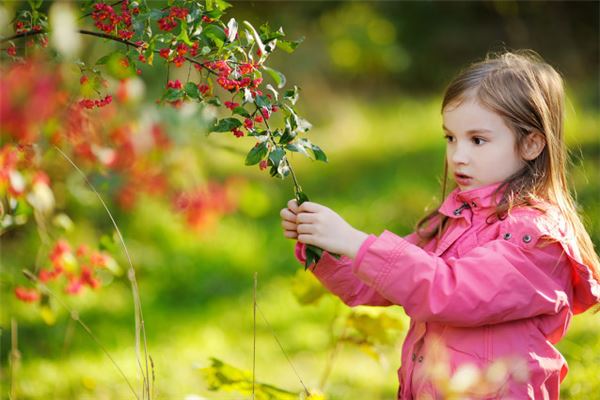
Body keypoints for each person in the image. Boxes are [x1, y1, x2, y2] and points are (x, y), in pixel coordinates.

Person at [279, 50, 600, 399]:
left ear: (531, 143)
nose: (458, 155)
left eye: (477, 140)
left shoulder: (535, 239)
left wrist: (356, 241)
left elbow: (449, 290)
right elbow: (380, 282)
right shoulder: (457, 220)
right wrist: (325, 246)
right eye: (451, 138)